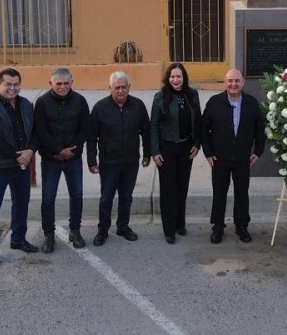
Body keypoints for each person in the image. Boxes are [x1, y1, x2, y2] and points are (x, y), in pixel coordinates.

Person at [0, 68, 38, 268]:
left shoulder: (26, 105)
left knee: (21, 203)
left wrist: (30, 150)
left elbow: (35, 131)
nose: (12, 88)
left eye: (16, 84)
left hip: (21, 165)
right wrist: (19, 156)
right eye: (8, 84)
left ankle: (18, 239)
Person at [201, 68, 266, 244]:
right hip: (219, 159)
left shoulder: (252, 103)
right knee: (219, 193)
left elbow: (260, 129)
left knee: (242, 193)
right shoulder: (215, 102)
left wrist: (258, 151)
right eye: (230, 81)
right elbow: (203, 129)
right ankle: (217, 227)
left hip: (242, 158)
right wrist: (208, 153)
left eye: (237, 81)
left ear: (243, 83)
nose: (233, 84)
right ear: (224, 83)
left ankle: (241, 226)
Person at [87, 71, 150, 246]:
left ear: (129, 87)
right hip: (109, 162)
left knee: (126, 197)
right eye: (117, 87)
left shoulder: (138, 106)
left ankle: (123, 227)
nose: (121, 91)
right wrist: (92, 161)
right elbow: (92, 136)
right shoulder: (100, 108)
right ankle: (102, 230)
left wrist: (147, 154)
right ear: (110, 88)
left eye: (124, 87)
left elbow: (146, 131)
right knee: (106, 198)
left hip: (131, 161)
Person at [34, 67, 91, 253]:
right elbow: (41, 131)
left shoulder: (80, 101)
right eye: (59, 83)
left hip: (73, 159)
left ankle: (75, 231)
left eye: (66, 83)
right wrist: (58, 151)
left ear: (71, 82)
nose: (63, 87)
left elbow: (85, 129)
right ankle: (49, 235)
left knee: (77, 195)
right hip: (51, 159)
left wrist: (70, 151)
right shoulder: (42, 103)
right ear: (50, 84)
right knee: (48, 198)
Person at [150, 62, 202, 244]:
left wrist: (197, 143)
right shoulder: (160, 97)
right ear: (168, 78)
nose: (175, 80)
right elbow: (154, 125)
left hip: (186, 147)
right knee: (168, 189)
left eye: (179, 76)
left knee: (182, 188)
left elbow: (198, 121)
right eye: (172, 76)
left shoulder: (192, 95)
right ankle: (169, 229)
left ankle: (180, 224)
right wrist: (154, 151)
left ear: (184, 77)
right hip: (167, 148)